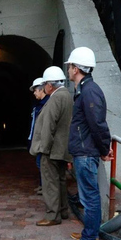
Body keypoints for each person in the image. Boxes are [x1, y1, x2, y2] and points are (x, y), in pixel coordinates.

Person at [64, 47, 113, 240]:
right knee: (88, 196)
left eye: (70, 66)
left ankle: (88, 239)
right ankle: (89, 232)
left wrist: (104, 148)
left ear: (76, 69)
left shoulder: (89, 91)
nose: (68, 69)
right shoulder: (86, 89)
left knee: (89, 197)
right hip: (84, 151)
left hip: (86, 153)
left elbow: (97, 124)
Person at [29, 66, 73, 225]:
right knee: (60, 180)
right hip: (61, 148)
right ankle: (63, 210)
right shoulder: (66, 95)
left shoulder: (55, 98)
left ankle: (52, 215)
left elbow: (49, 125)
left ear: (49, 85)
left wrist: (43, 148)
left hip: (52, 149)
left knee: (50, 182)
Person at [27, 77, 47, 195]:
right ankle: (42, 184)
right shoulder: (37, 105)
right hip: (36, 138)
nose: (34, 93)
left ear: (41, 89)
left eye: (35, 90)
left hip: (42, 140)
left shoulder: (46, 104)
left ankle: (45, 186)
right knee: (39, 162)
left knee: (42, 163)